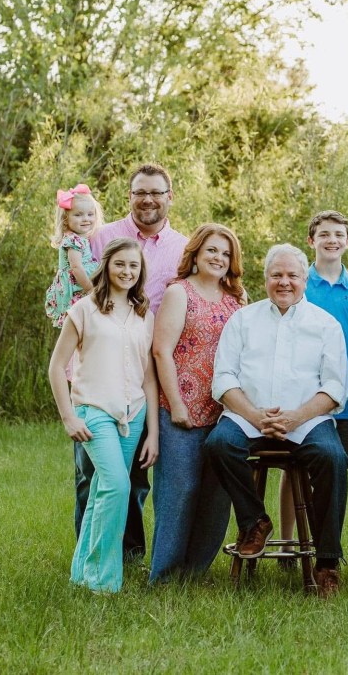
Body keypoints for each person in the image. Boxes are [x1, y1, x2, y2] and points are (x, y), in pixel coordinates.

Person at [205, 244, 348, 598]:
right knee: (218, 444)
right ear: (265, 278)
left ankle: (327, 562)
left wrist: (297, 416)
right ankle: (255, 521)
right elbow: (223, 378)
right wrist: (254, 415)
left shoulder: (325, 324)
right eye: (277, 275)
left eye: (292, 276)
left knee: (333, 458)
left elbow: (335, 387)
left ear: (305, 280)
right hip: (248, 415)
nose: (284, 282)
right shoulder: (243, 320)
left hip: (307, 419)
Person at [74, 163, 188, 561]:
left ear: (170, 197)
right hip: (97, 374)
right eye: (141, 192)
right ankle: (88, 554)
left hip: (146, 375)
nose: (148, 200)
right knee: (92, 474)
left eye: (156, 192)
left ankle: (129, 553)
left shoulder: (184, 249)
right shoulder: (99, 238)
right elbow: (73, 289)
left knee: (136, 473)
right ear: (130, 196)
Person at [48, 238, 159, 593]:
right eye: (120, 264)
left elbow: (149, 377)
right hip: (94, 410)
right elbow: (56, 367)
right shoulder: (84, 310)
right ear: (107, 266)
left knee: (102, 491)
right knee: (117, 486)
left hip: (134, 413)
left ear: (140, 271)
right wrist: (69, 417)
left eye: (133, 266)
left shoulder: (144, 315)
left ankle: (82, 572)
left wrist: (153, 433)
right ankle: (104, 581)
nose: (127, 271)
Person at [149, 223, 246, 584]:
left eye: (225, 253)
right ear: (196, 254)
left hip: (224, 413)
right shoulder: (180, 292)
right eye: (212, 251)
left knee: (216, 496)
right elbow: (161, 351)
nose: (218, 258)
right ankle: (163, 575)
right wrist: (176, 404)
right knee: (180, 491)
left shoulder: (236, 300)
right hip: (181, 408)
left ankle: (193, 573)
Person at [278, 210, 348, 568]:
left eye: (338, 235)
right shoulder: (300, 282)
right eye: (324, 234)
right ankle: (289, 541)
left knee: (333, 472)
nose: (332, 240)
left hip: (339, 400)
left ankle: (322, 545)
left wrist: (335, 379)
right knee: (293, 471)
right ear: (311, 240)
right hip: (297, 395)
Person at [44, 184, 102, 328]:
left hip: (81, 284)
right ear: (66, 219)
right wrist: (89, 288)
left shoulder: (81, 237)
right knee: (77, 321)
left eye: (90, 214)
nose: (85, 219)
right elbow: (76, 268)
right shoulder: (73, 240)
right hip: (76, 287)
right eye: (78, 215)